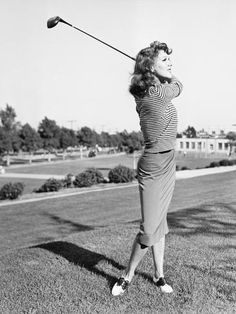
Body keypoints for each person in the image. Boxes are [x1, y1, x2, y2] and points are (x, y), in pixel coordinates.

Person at [112, 41, 183, 296]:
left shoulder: (149, 89)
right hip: (153, 166)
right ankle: (127, 275)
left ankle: (158, 275)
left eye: (169, 60)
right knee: (149, 228)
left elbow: (165, 83)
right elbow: (179, 86)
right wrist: (166, 75)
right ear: (150, 67)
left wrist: (155, 71)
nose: (170, 63)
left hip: (167, 163)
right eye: (164, 60)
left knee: (160, 223)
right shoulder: (155, 93)